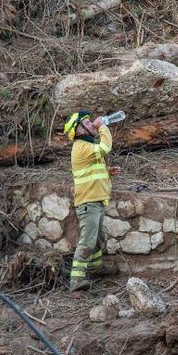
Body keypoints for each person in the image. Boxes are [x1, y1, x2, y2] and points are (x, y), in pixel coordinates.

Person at [63, 110, 121, 292]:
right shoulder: (81, 147)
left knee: (99, 237)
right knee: (87, 241)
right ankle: (76, 279)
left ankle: (96, 268)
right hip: (88, 203)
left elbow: (91, 169)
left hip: (96, 201)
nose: (91, 124)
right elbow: (105, 148)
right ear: (78, 130)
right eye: (86, 123)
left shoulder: (86, 146)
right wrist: (103, 126)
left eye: (91, 122)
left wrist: (107, 171)